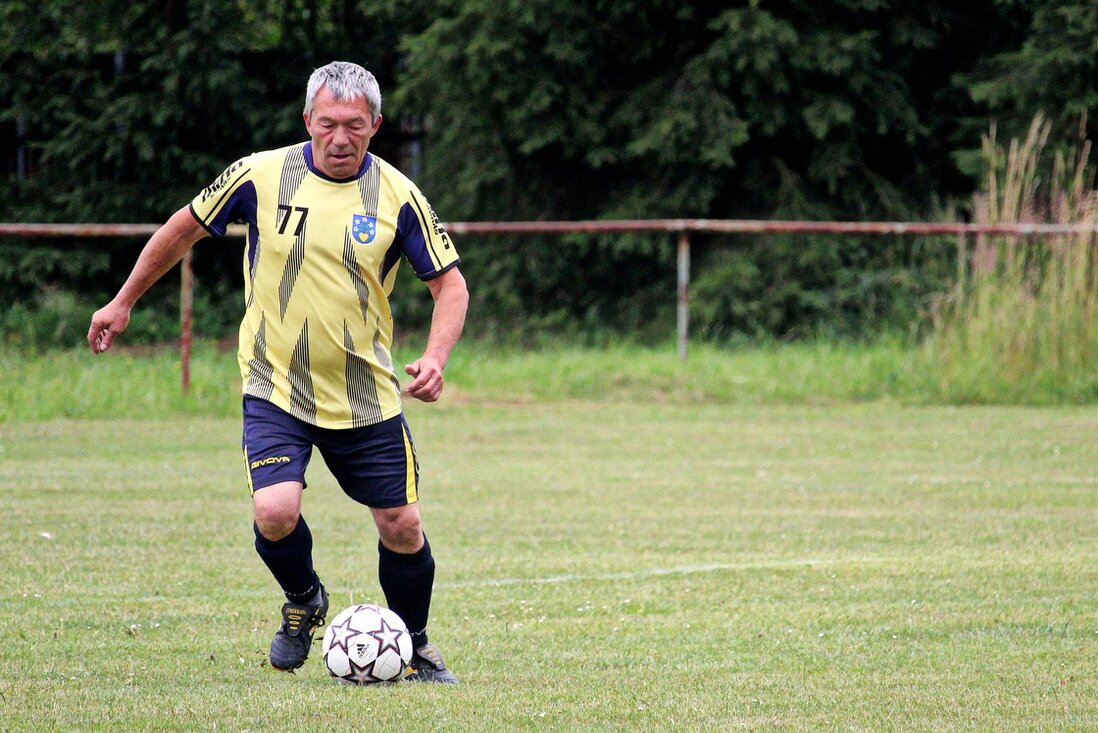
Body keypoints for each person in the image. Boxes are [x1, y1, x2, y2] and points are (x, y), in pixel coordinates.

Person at [87, 61, 468, 684]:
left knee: (402, 525)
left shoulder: (400, 196)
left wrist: (435, 357)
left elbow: (450, 287)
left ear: (375, 124)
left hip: (366, 394)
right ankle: (304, 598)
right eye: (326, 124)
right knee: (275, 511)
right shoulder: (260, 174)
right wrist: (123, 300)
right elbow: (181, 230)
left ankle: (417, 643)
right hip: (275, 385)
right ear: (306, 121)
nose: (339, 138)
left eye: (354, 126)